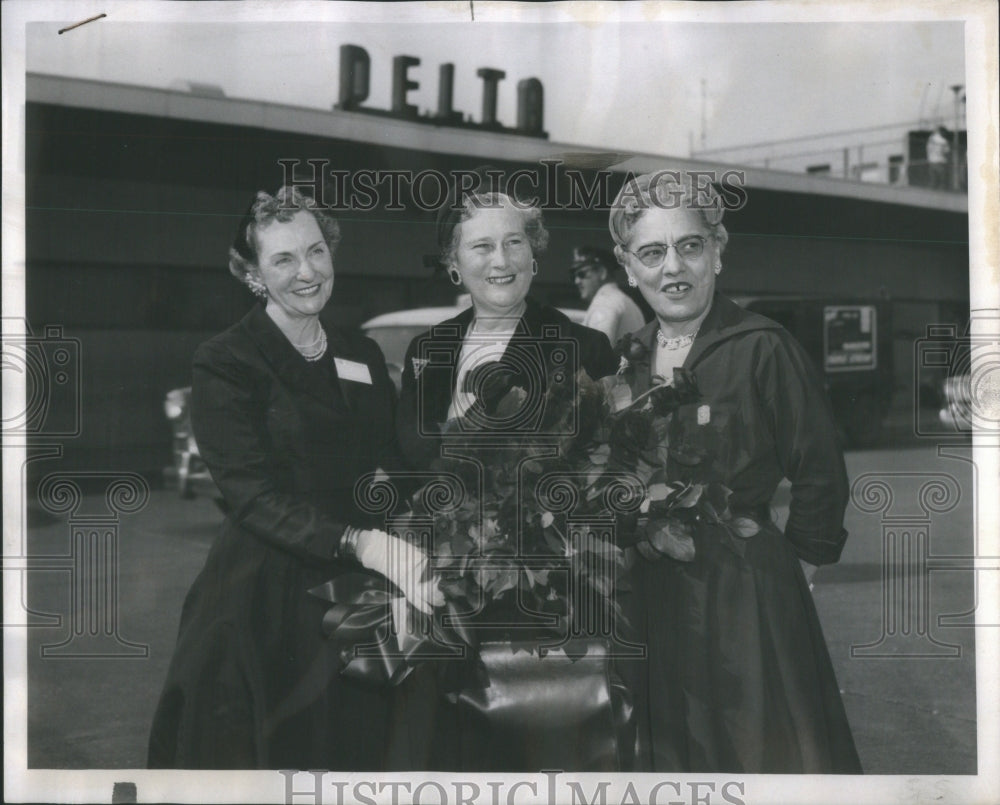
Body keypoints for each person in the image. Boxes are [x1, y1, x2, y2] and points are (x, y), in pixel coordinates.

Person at [147, 186, 440, 769]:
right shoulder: (228, 359)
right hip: (264, 597)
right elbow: (250, 495)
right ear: (253, 274)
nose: (306, 272)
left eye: (316, 251)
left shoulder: (356, 350)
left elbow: (393, 459)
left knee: (359, 754)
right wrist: (362, 542)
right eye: (283, 259)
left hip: (361, 588)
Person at [608, 171, 862, 773]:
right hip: (648, 596)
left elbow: (820, 471)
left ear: (717, 252)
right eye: (652, 252)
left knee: (758, 750)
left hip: (746, 593)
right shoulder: (626, 361)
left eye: (690, 246)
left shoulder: (763, 346)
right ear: (628, 268)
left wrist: (789, 568)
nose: (674, 267)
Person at [392, 174, 619, 771]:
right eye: (481, 246)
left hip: (547, 600)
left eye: (515, 243)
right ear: (453, 263)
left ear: (535, 253)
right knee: (449, 755)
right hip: (441, 594)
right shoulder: (427, 350)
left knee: (539, 755)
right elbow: (411, 461)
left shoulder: (583, 347)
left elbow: (610, 473)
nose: (501, 260)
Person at [571, 245, 646, 344]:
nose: (577, 281)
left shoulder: (605, 303)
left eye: (582, 274)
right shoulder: (621, 300)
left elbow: (597, 353)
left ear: (602, 272)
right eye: (574, 276)